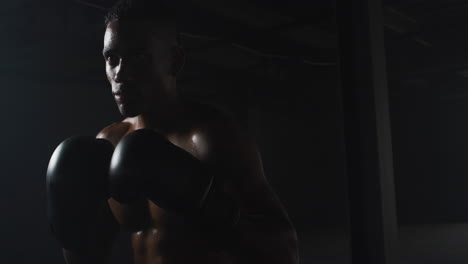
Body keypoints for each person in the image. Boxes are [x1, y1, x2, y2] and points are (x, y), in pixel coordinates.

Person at [46, 0, 299, 263]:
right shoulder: (108, 143)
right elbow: (89, 255)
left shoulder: (210, 139)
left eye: (138, 57)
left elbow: (285, 253)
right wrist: (73, 230)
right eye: (112, 58)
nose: (120, 73)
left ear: (174, 61)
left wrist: (210, 205)